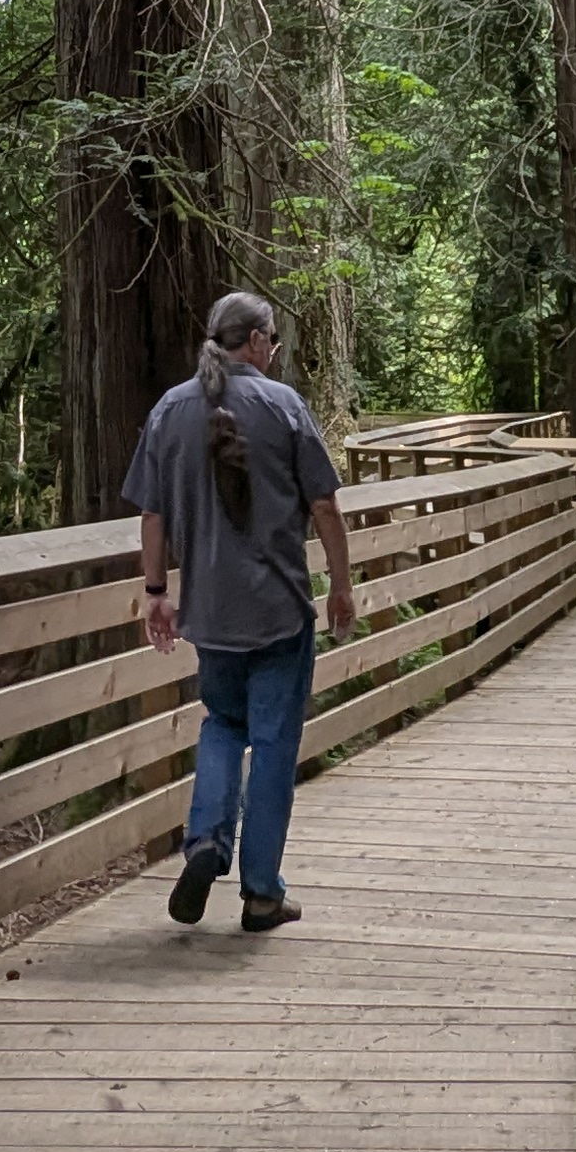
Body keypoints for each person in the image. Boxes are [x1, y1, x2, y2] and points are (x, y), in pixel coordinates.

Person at [123, 287, 356, 932]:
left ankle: (205, 842)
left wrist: (156, 593)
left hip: (210, 613)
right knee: (275, 746)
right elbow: (326, 507)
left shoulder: (170, 410)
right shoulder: (283, 406)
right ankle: (261, 893)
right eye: (273, 341)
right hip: (280, 609)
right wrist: (340, 584)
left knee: (223, 724)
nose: (274, 353)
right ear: (255, 341)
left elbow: (152, 512)